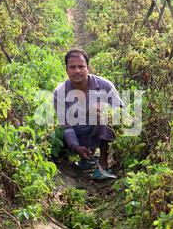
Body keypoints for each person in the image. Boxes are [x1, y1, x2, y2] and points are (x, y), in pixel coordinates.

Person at [53, 49, 124, 179]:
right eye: (72, 67)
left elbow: (121, 111)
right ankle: (85, 156)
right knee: (58, 133)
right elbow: (65, 125)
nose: (77, 71)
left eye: (81, 66)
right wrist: (76, 146)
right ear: (67, 70)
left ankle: (103, 164)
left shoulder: (105, 85)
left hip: (100, 131)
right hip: (77, 133)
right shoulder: (60, 92)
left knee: (105, 114)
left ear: (88, 68)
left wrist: (105, 107)